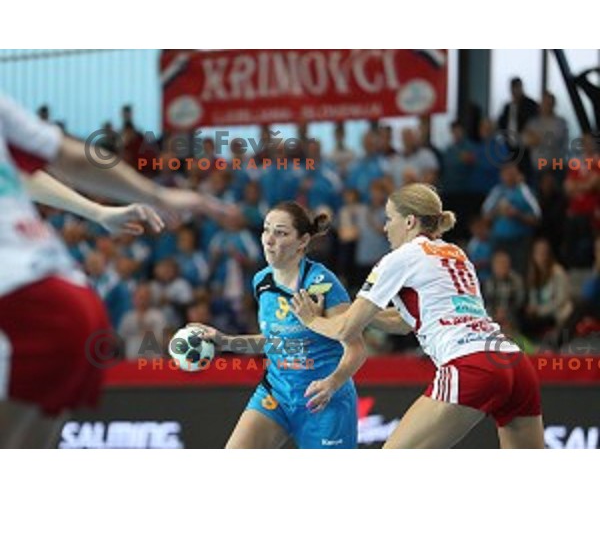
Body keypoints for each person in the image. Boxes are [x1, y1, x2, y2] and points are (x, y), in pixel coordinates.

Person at [0, 93, 233, 446]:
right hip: (70, 303)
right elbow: (59, 160)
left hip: (28, 311)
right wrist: (145, 198)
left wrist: (98, 211)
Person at [291, 183, 544, 449]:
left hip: (470, 365)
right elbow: (406, 321)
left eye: (390, 218)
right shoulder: (456, 253)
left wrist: (310, 319)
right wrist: (362, 313)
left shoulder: (399, 258)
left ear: (409, 221)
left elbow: (344, 330)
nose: (386, 227)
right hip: (513, 363)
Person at [188, 202, 366, 449]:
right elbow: (273, 341)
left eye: (280, 233)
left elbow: (356, 349)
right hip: (277, 394)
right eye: (266, 230)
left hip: (323, 400)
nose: (268, 240)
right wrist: (225, 340)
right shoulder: (261, 281)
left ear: (302, 241)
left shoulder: (321, 283)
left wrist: (332, 383)